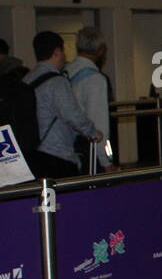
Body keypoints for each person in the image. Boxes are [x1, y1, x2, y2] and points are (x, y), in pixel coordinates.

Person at [23, 32, 100, 178]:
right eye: (63, 51)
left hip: (32, 154)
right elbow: (73, 115)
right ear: (57, 52)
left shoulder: (27, 79)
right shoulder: (57, 82)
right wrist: (93, 132)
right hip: (57, 155)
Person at [65, 27, 113, 171]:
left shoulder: (66, 70)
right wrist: (106, 161)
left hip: (65, 144)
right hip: (87, 149)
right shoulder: (95, 79)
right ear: (101, 50)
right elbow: (99, 123)